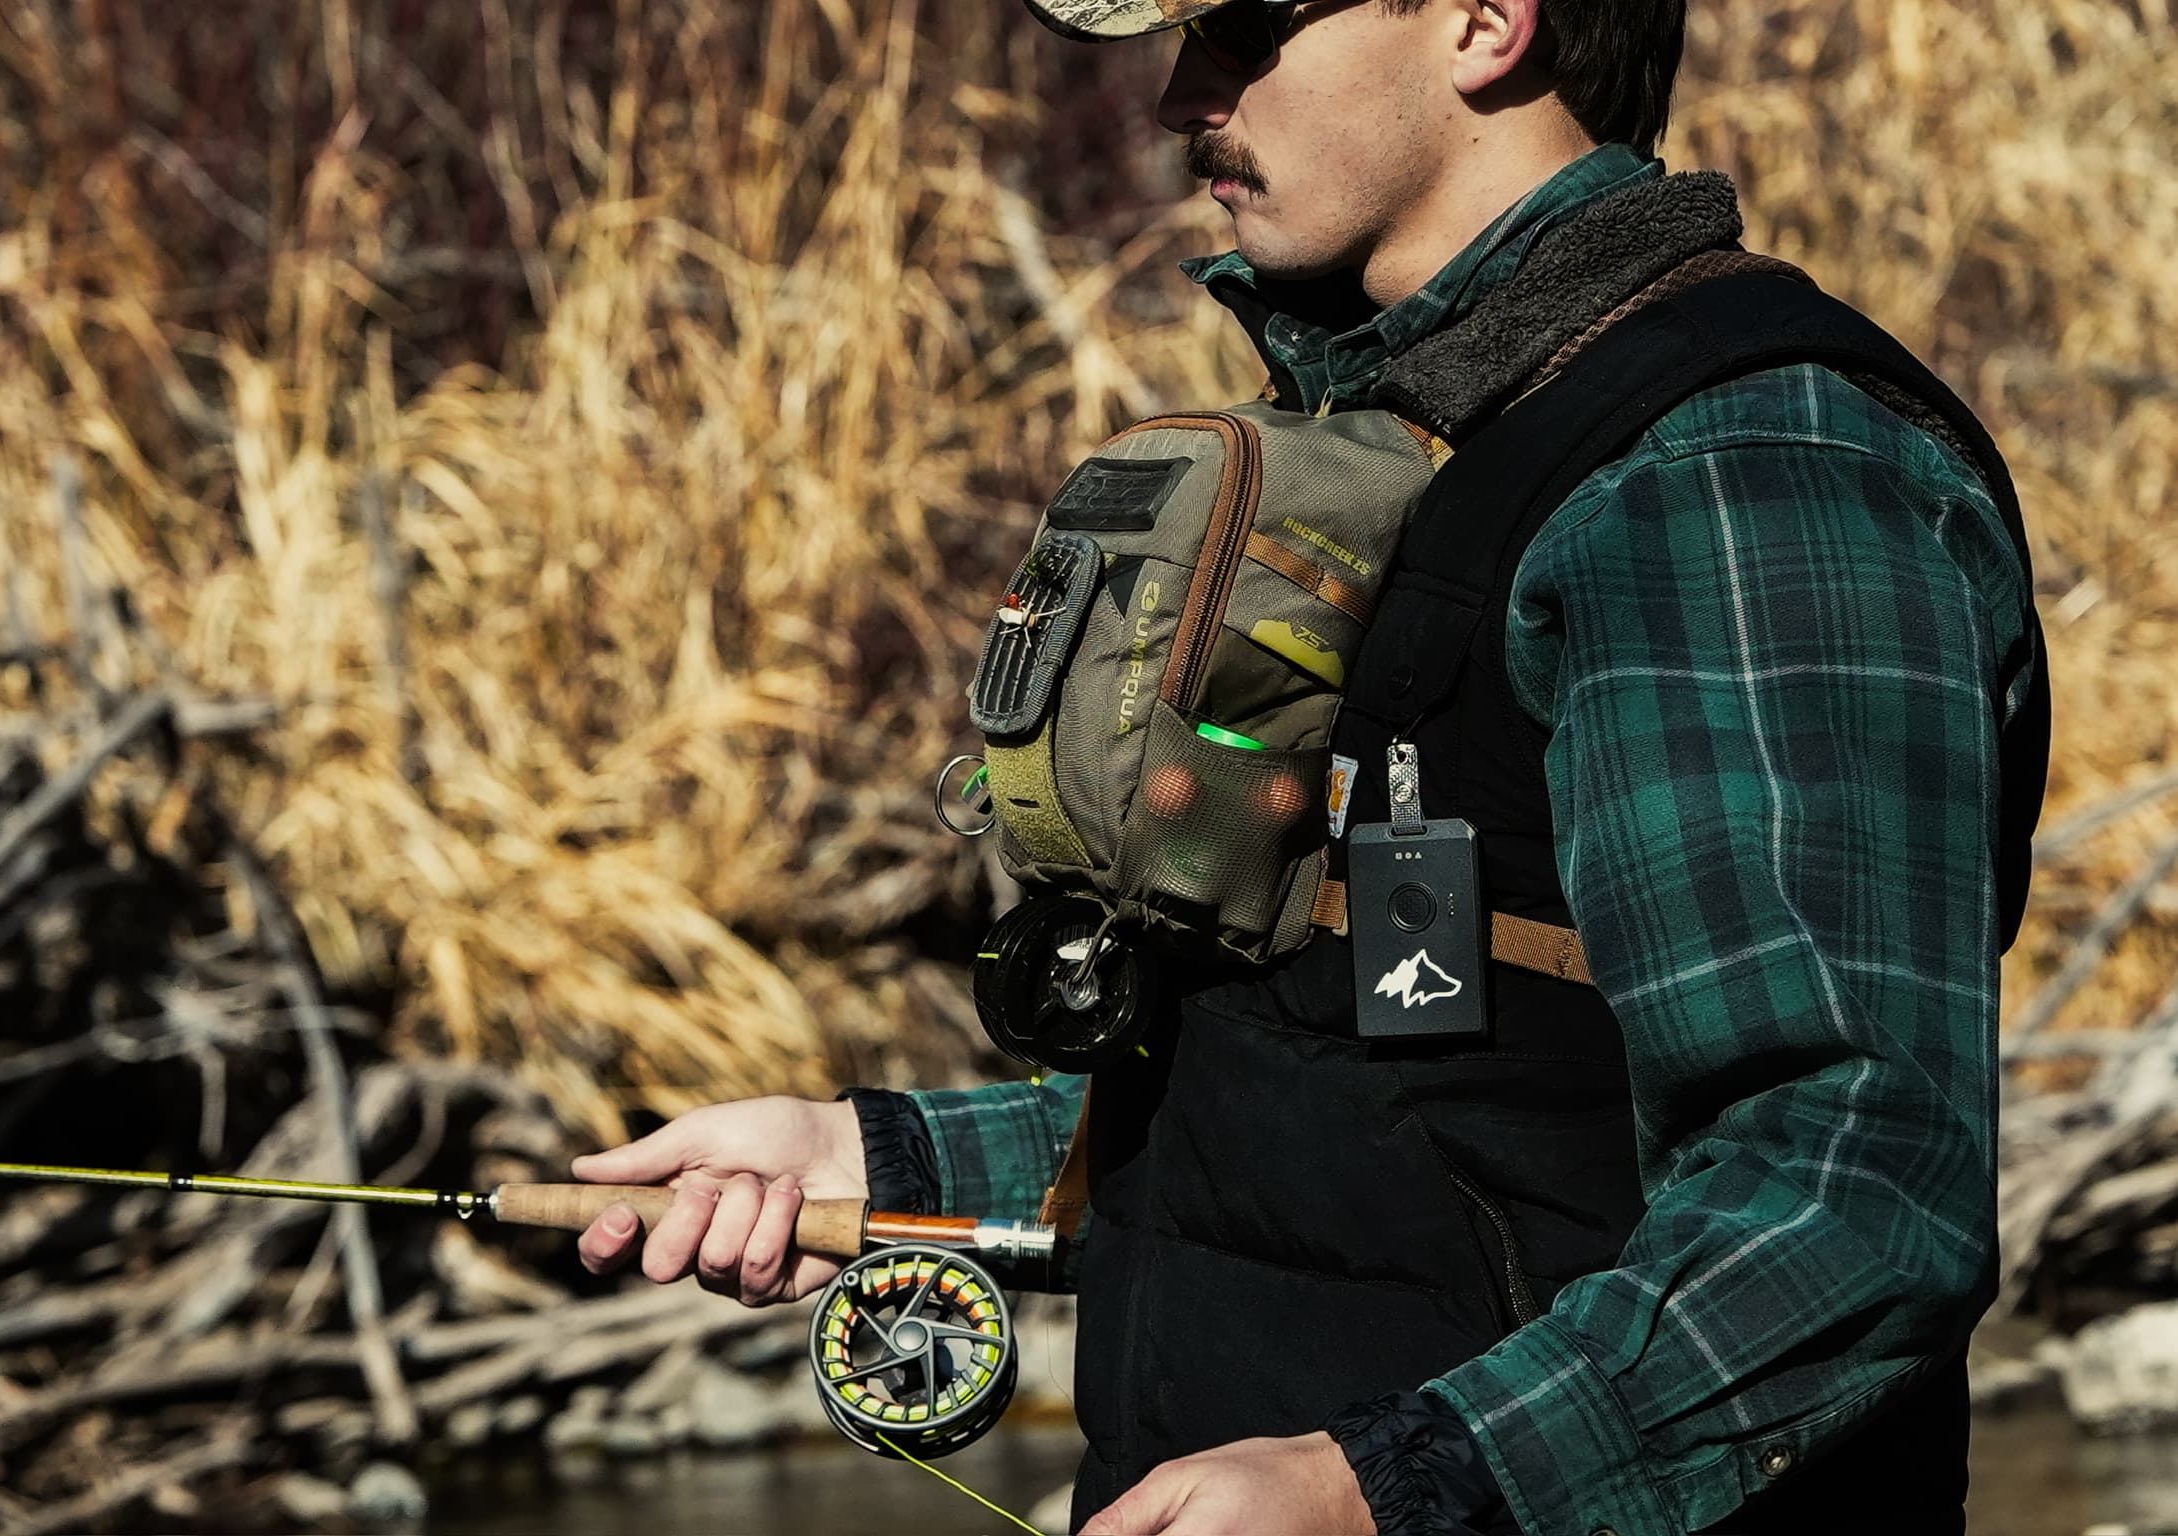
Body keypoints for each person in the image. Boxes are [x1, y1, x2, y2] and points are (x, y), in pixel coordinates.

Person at [570, 2, 2050, 1532]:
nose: (1177, 98)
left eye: (1239, 25)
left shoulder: (1736, 479)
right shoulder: (1421, 447)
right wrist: (879, 1160)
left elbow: (1853, 1188)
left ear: (1487, 20)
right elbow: (1398, 1106)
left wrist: (1387, 1492)